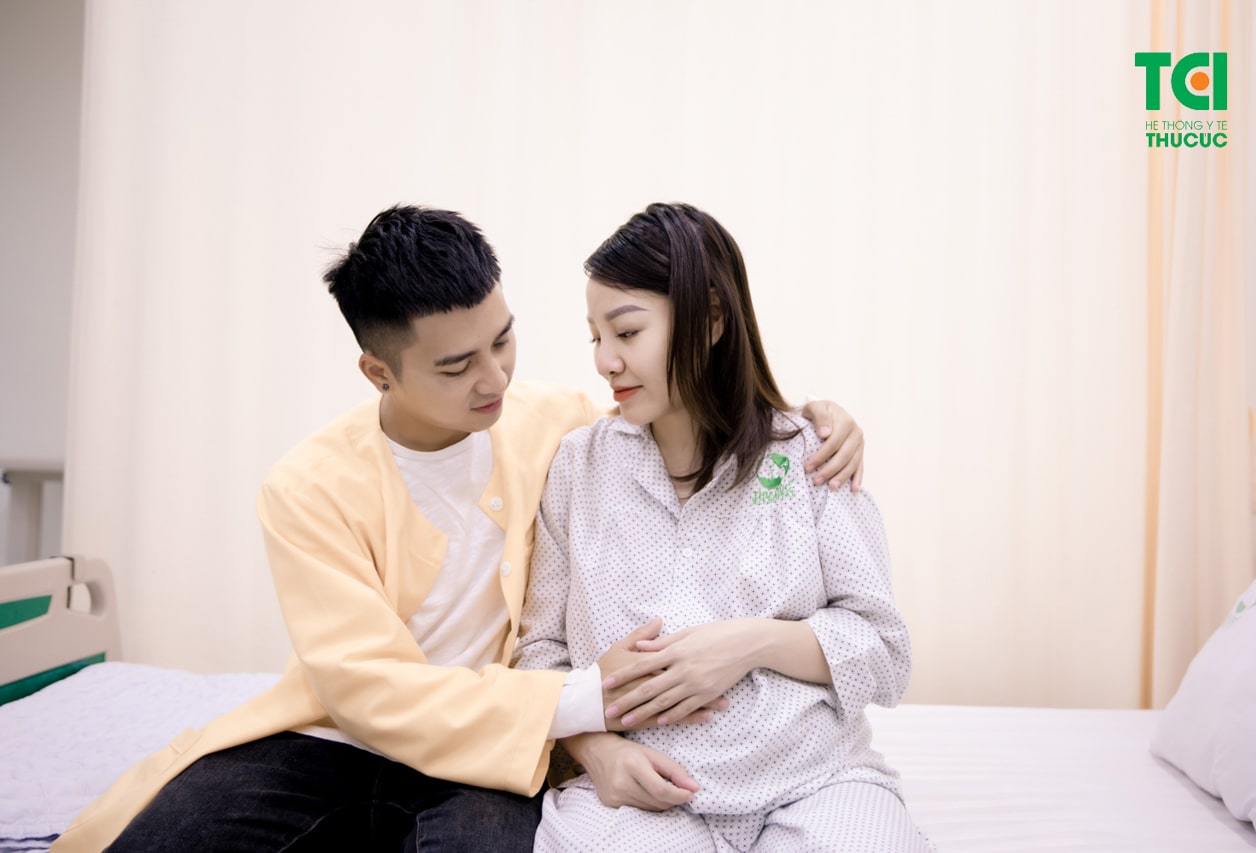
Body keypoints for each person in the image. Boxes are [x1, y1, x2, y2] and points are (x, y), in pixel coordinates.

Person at [51, 205, 866, 853]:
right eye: (456, 365)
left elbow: (689, 407)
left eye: (503, 340)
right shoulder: (305, 489)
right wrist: (590, 699)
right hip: (332, 740)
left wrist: (813, 419)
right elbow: (367, 691)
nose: (494, 377)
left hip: (495, 757)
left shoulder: (561, 425)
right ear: (379, 371)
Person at [513, 202, 933, 852]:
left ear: (711, 320)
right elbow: (540, 654)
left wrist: (748, 643)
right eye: (595, 337)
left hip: (813, 781)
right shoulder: (578, 466)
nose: (605, 360)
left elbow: (884, 652)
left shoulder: (809, 453)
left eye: (626, 332)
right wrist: (597, 752)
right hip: (641, 796)